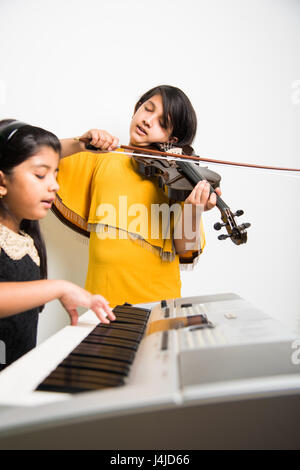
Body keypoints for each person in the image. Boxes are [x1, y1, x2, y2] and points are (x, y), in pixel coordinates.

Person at [55, 85, 221, 307]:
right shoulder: (102, 156)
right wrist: (79, 144)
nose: (148, 121)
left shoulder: (175, 179)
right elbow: (38, 154)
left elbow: (186, 249)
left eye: (163, 123)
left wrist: (193, 210)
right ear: (137, 109)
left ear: (172, 140)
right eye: (147, 109)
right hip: (102, 302)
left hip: (159, 305)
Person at [0, 120, 115, 371]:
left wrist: (80, 145)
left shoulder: (25, 240)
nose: (54, 185)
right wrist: (58, 287)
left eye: (56, 174)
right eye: (41, 175)